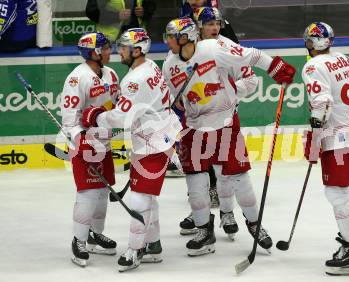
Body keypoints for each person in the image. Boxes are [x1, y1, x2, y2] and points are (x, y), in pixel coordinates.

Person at [162, 17, 295, 256]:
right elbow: (175, 101)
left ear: (186, 38)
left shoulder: (213, 49)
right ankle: (205, 230)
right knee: (195, 182)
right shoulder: (169, 64)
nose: (167, 41)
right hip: (194, 127)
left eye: (171, 37)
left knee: (239, 177)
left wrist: (276, 68)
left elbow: (251, 55)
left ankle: (255, 224)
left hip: (224, 122)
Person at [81, 28, 182, 272]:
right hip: (160, 135)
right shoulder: (150, 66)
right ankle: (153, 244)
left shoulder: (134, 79)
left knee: (139, 197)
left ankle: (136, 249)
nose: (119, 51)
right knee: (147, 196)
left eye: (124, 48)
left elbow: (120, 117)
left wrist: (95, 117)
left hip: (153, 142)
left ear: (137, 50)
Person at [177, 7, 259, 241]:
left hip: (223, 114)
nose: (214, 27)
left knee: (224, 169)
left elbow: (250, 79)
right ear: (199, 26)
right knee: (198, 172)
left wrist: (230, 90)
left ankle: (226, 212)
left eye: (217, 23)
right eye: (209, 23)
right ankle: (199, 214)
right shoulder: (188, 48)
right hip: (195, 118)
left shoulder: (226, 46)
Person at [301, 22, 349, 276]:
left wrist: (315, 136)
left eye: (310, 40)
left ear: (317, 43)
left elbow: (321, 102)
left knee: (337, 192)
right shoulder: (343, 58)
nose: (306, 44)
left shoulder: (312, 66)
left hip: (339, 137)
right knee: (338, 191)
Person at [61, 32, 120, 267]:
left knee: (103, 192)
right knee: (87, 193)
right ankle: (79, 240)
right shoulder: (77, 79)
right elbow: (69, 120)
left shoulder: (111, 74)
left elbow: (116, 106)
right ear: (93, 52)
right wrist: (79, 140)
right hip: (83, 145)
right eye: (105, 48)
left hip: (104, 143)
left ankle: (95, 234)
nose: (109, 51)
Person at [86, 0, 156, 42]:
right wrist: (116, 16)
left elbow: (151, 6)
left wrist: (144, 11)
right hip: (109, 42)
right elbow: (91, 12)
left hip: (137, 40)